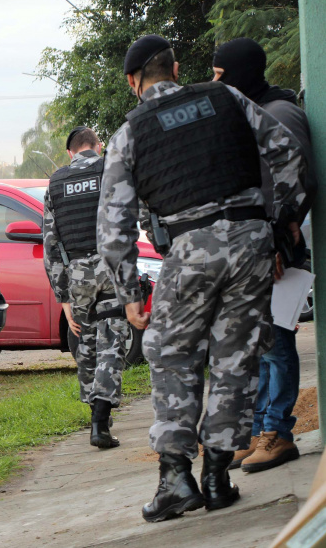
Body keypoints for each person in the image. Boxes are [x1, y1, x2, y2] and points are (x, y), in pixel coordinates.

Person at [96, 35, 306, 522]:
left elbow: (113, 227)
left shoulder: (129, 134)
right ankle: (217, 476)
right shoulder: (226, 97)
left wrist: (130, 292)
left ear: (133, 82)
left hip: (191, 250)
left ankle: (175, 480)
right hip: (253, 241)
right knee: (236, 359)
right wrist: (285, 216)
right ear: (175, 68)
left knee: (171, 355)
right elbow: (286, 150)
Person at [212, 37, 317, 474]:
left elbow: (293, 185)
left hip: (277, 250)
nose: (216, 83)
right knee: (257, 346)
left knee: (275, 344)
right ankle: (258, 432)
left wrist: (275, 239)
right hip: (254, 248)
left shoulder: (279, 112)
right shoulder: (252, 110)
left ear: (241, 73)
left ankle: (278, 433)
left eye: (221, 75)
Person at [43, 126, 127, 449]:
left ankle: (96, 418)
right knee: (112, 339)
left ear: (70, 152)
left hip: (77, 274)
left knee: (87, 343)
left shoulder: (55, 183)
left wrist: (63, 297)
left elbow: (51, 246)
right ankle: (100, 423)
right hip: (110, 267)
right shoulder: (109, 168)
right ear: (97, 145)